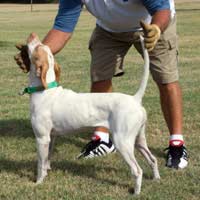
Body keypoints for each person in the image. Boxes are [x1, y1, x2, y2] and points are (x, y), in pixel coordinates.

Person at [15, 0, 188, 169]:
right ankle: (102, 139)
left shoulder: (157, 21)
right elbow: (62, 28)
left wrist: (156, 28)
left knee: (166, 79)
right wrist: (37, 55)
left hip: (153, 21)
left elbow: (161, 8)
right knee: (100, 76)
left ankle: (177, 143)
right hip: (109, 29)